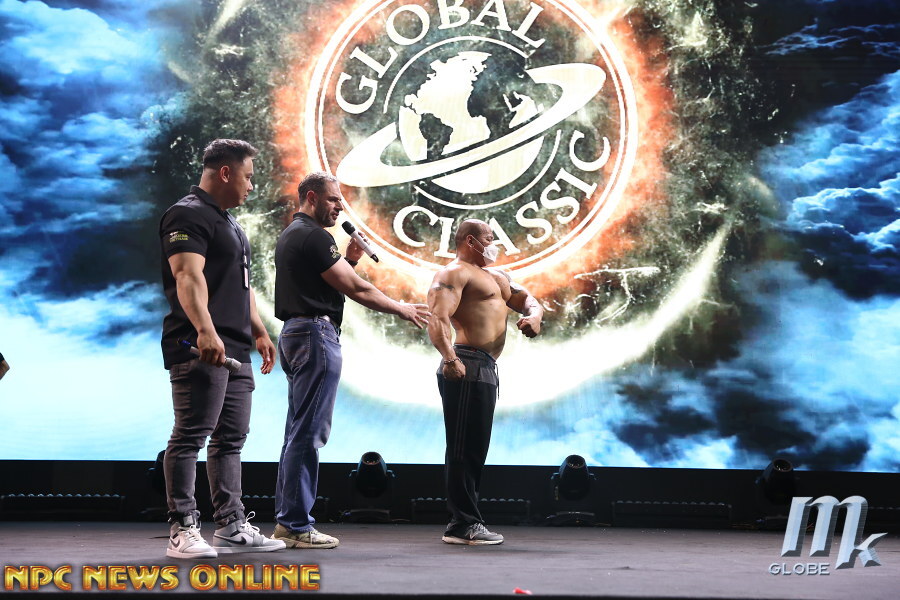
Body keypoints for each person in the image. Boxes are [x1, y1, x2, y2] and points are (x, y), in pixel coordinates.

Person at [271, 171, 430, 549]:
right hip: (314, 336)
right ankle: (295, 525)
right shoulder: (314, 236)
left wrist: (350, 259)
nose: (340, 207)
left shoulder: (295, 234)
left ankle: (288, 522)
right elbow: (355, 288)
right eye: (333, 199)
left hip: (297, 334)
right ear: (311, 198)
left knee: (298, 431)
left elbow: (327, 284)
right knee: (308, 433)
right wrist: (401, 308)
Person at [159, 139, 285, 558]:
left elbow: (240, 285)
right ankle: (182, 527)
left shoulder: (228, 222)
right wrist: (204, 330)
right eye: (248, 176)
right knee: (190, 435)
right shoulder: (187, 214)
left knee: (231, 439)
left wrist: (259, 330)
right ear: (226, 172)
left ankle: (231, 526)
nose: (252, 185)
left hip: (235, 347)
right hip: (197, 345)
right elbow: (187, 276)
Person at [426, 219, 544, 545]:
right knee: (463, 448)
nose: (493, 245)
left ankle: (467, 521)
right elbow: (437, 317)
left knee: (476, 448)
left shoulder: (497, 277)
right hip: (465, 362)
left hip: (487, 367)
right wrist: (450, 358)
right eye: (489, 239)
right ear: (469, 241)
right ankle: (462, 524)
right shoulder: (454, 273)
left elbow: (528, 299)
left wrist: (535, 316)